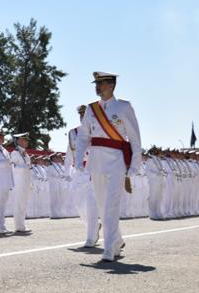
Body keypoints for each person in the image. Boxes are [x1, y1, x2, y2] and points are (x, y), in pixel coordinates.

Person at [74, 71, 142, 262]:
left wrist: (134, 165)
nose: (97, 87)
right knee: (103, 206)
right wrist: (79, 159)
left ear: (111, 85)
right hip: (96, 161)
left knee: (111, 205)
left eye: (101, 83)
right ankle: (117, 241)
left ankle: (109, 249)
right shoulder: (91, 109)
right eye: (96, 83)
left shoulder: (124, 107)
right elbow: (83, 137)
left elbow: (134, 138)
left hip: (116, 162)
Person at [64, 105, 100, 247]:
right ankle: (94, 226)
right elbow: (69, 152)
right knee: (79, 204)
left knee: (92, 204)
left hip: (93, 169)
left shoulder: (97, 131)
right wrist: (67, 171)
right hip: (78, 171)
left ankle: (91, 237)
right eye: (81, 115)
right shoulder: (73, 132)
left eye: (85, 115)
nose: (82, 117)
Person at [10, 132, 32, 233]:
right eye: (24, 140)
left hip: (26, 181)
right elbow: (14, 167)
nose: (26, 142)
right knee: (19, 203)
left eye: (27, 140)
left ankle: (22, 224)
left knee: (24, 203)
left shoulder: (25, 153)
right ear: (19, 141)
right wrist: (24, 167)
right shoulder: (15, 153)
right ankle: (18, 225)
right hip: (19, 182)